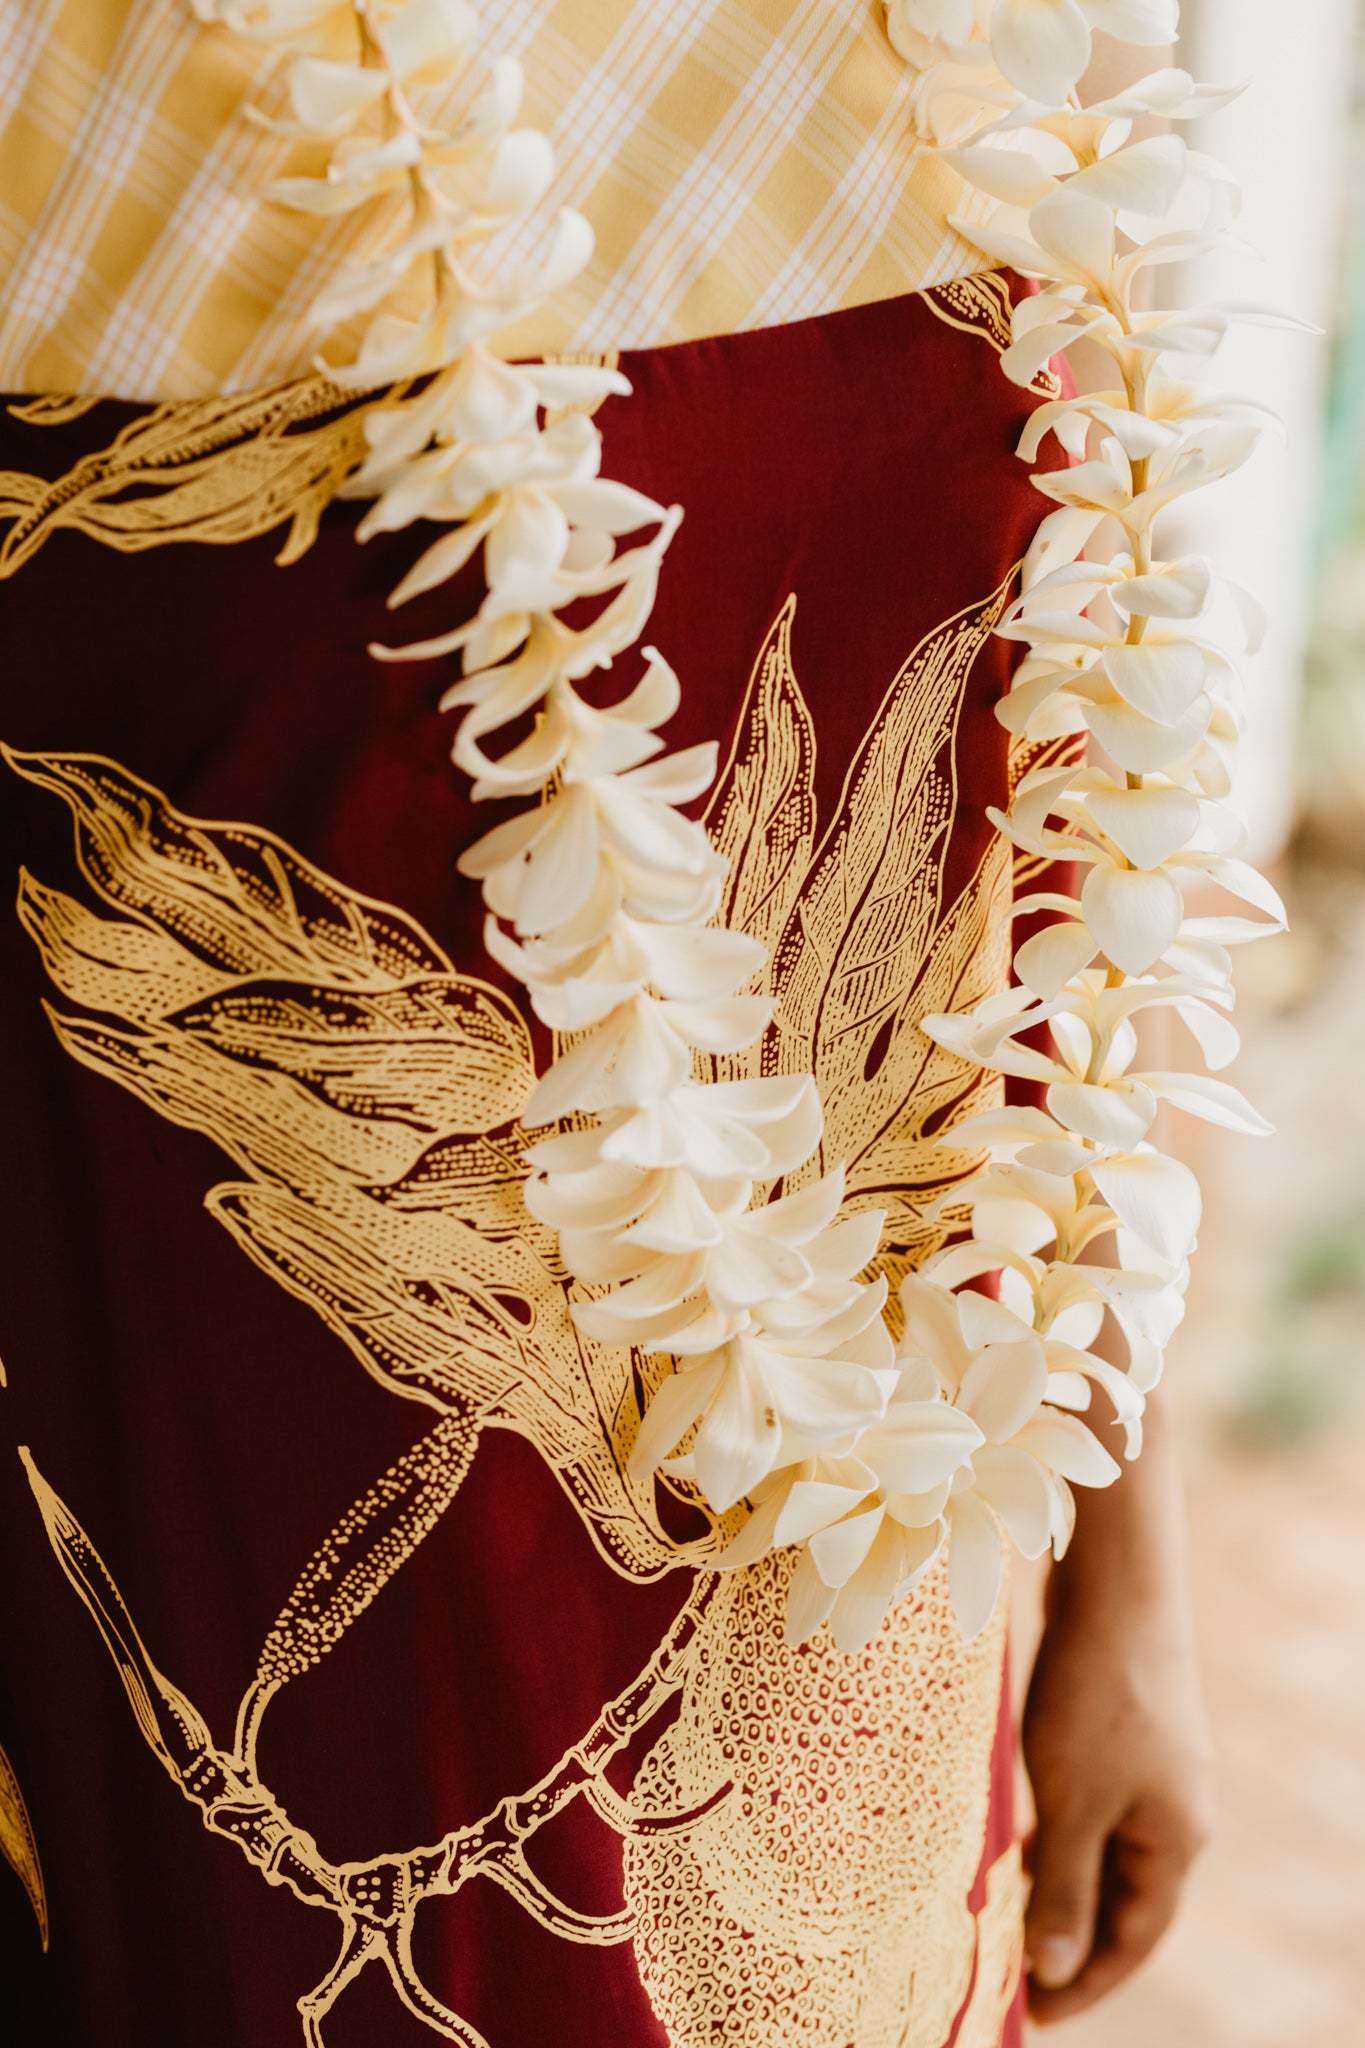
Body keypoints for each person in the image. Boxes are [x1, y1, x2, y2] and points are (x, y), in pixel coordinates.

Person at [0, 6, 1235, 2043]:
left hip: (881, 1712)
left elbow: (1069, 816)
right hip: (259, 1746)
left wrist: (1125, 1562)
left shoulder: (994, 36)